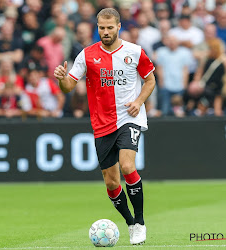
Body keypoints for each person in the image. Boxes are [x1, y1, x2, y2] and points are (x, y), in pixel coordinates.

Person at [54, 8, 155, 245]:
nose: (106, 32)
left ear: (119, 26)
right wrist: (61, 78)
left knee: (127, 164)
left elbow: (150, 80)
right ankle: (130, 223)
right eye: (102, 27)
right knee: (111, 182)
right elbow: (69, 86)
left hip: (130, 116)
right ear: (96, 27)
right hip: (102, 123)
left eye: (110, 27)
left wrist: (139, 102)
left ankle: (140, 222)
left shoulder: (134, 51)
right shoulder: (87, 55)